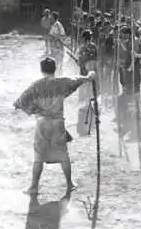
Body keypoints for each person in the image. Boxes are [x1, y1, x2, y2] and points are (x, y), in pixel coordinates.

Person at [14, 57, 97, 195]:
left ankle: (34, 187)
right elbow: (77, 79)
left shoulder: (35, 85)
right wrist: (89, 76)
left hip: (42, 123)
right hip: (58, 122)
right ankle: (69, 184)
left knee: (38, 157)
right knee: (63, 155)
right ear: (55, 68)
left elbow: (20, 102)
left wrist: (33, 109)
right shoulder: (61, 82)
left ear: (41, 70)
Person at [49, 12, 66, 76]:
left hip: (58, 47)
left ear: (54, 18)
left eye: (51, 17)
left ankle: (59, 77)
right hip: (55, 47)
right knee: (56, 63)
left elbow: (62, 35)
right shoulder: (54, 25)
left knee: (58, 64)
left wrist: (55, 38)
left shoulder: (57, 25)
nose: (50, 18)